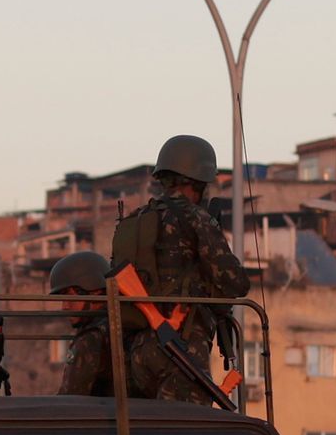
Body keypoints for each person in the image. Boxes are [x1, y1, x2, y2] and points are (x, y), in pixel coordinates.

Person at [112, 135, 250, 405]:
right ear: (199, 182)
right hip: (182, 347)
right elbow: (235, 284)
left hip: (137, 353)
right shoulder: (196, 218)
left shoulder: (135, 220)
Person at [50, 250, 132, 398]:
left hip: (105, 417)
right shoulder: (121, 323)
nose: (64, 306)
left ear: (93, 292)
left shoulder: (90, 338)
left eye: (69, 298)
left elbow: (69, 401)